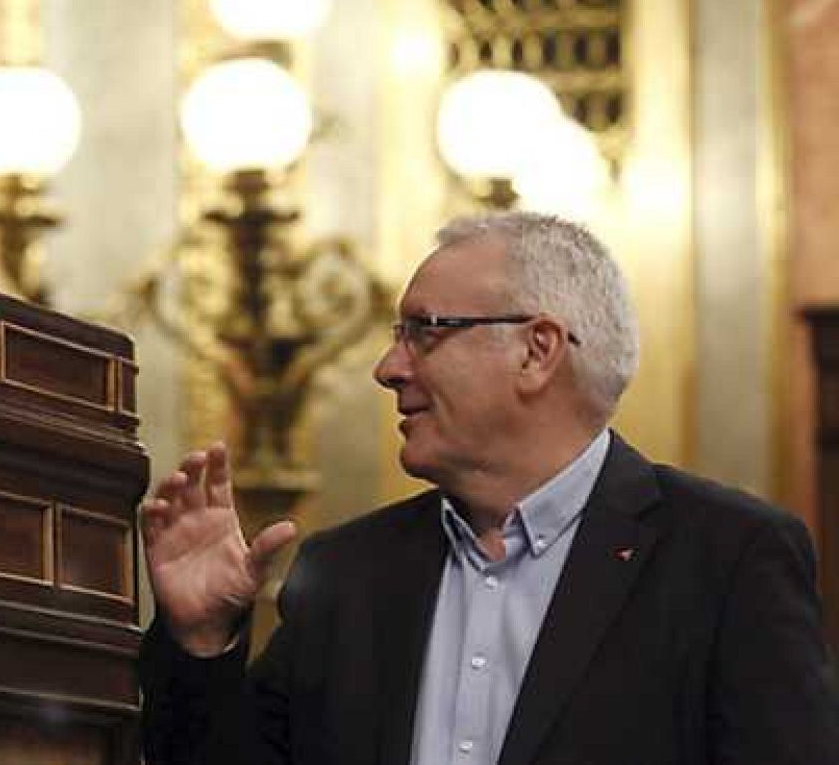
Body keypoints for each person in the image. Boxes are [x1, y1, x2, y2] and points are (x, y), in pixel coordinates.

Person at [139, 211, 839, 765]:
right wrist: (200, 639)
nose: (387, 367)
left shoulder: (726, 557)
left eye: (425, 332)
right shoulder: (345, 573)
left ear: (537, 350)